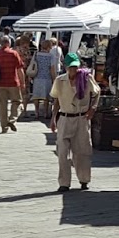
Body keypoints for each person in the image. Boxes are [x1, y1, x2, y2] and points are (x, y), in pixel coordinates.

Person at [49, 53, 99, 191]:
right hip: (65, 118)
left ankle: (84, 180)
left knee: (82, 151)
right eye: (71, 67)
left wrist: (93, 108)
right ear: (66, 67)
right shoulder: (60, 80)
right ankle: (64, 183)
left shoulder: (86, 78)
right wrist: (53, 118)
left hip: (82, 118)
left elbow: (97, 93)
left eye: (76, 67)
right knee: (62, 152)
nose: (74, 70)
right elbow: (56, 99)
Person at [0, 39, 26, 132]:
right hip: (13, 82)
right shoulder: (14, 54)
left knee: (2, 105)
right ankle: (12, 119)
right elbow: (19, 69)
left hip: (1, 83)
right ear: (9, 43)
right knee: (17, 102)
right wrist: (22, 82)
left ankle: (4, 127)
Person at [32, 39, 59, 121]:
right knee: (46, 97)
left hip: (37, 77)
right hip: (47, 78)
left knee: (36, 96)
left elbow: (33, 65)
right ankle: (45, 113)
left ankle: (36, 112)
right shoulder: (51, 56)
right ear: (49, 47)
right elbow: (52, 69)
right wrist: (54, 78)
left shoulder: (36, 54)